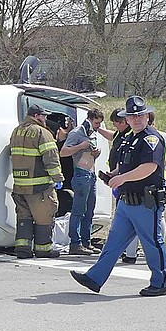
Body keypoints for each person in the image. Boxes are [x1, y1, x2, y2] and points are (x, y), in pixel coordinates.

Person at [71, 96, 166, 296]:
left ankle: (160, 283)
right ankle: (94, 278)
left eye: (140, 116)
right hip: (126, 201)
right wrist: (114, 175)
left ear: (147, 116)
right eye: (132, 117)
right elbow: (125, 165)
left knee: (152, 243)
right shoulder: (130, 137)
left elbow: (150, 167)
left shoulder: (152, 138)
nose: (137, 120)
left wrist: (122, 178)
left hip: (145, 202)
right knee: (113, 243)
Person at [122, 111, 166, 263]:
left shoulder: (140, 137)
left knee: (138, 219)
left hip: (143, 181)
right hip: (161, 180)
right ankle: (159, 249)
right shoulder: (164, 136)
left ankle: (131, 253)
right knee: (158, 218)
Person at [10, 104, 64, 259]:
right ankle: (43, 249)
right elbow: (51, 158)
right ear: (36, 116)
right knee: (44, 216)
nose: (45, 119)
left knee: (24, 217)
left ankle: (23, 249)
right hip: (39, 187)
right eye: (44, 116)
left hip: (20, 186)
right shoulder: (42, 132)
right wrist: (58, 178)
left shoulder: (16, 132)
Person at [59, 108, 104, 255]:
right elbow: (64, 151)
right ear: (90, 119)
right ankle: (75, 243)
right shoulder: (77, 133)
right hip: (81, 175)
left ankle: (86, 241)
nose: (98, 126)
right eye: (96, 122)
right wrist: (81, 146)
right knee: (78, 211)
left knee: (89, 211)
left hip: (91, 174)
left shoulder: (92, 133)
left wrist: (95, 153)